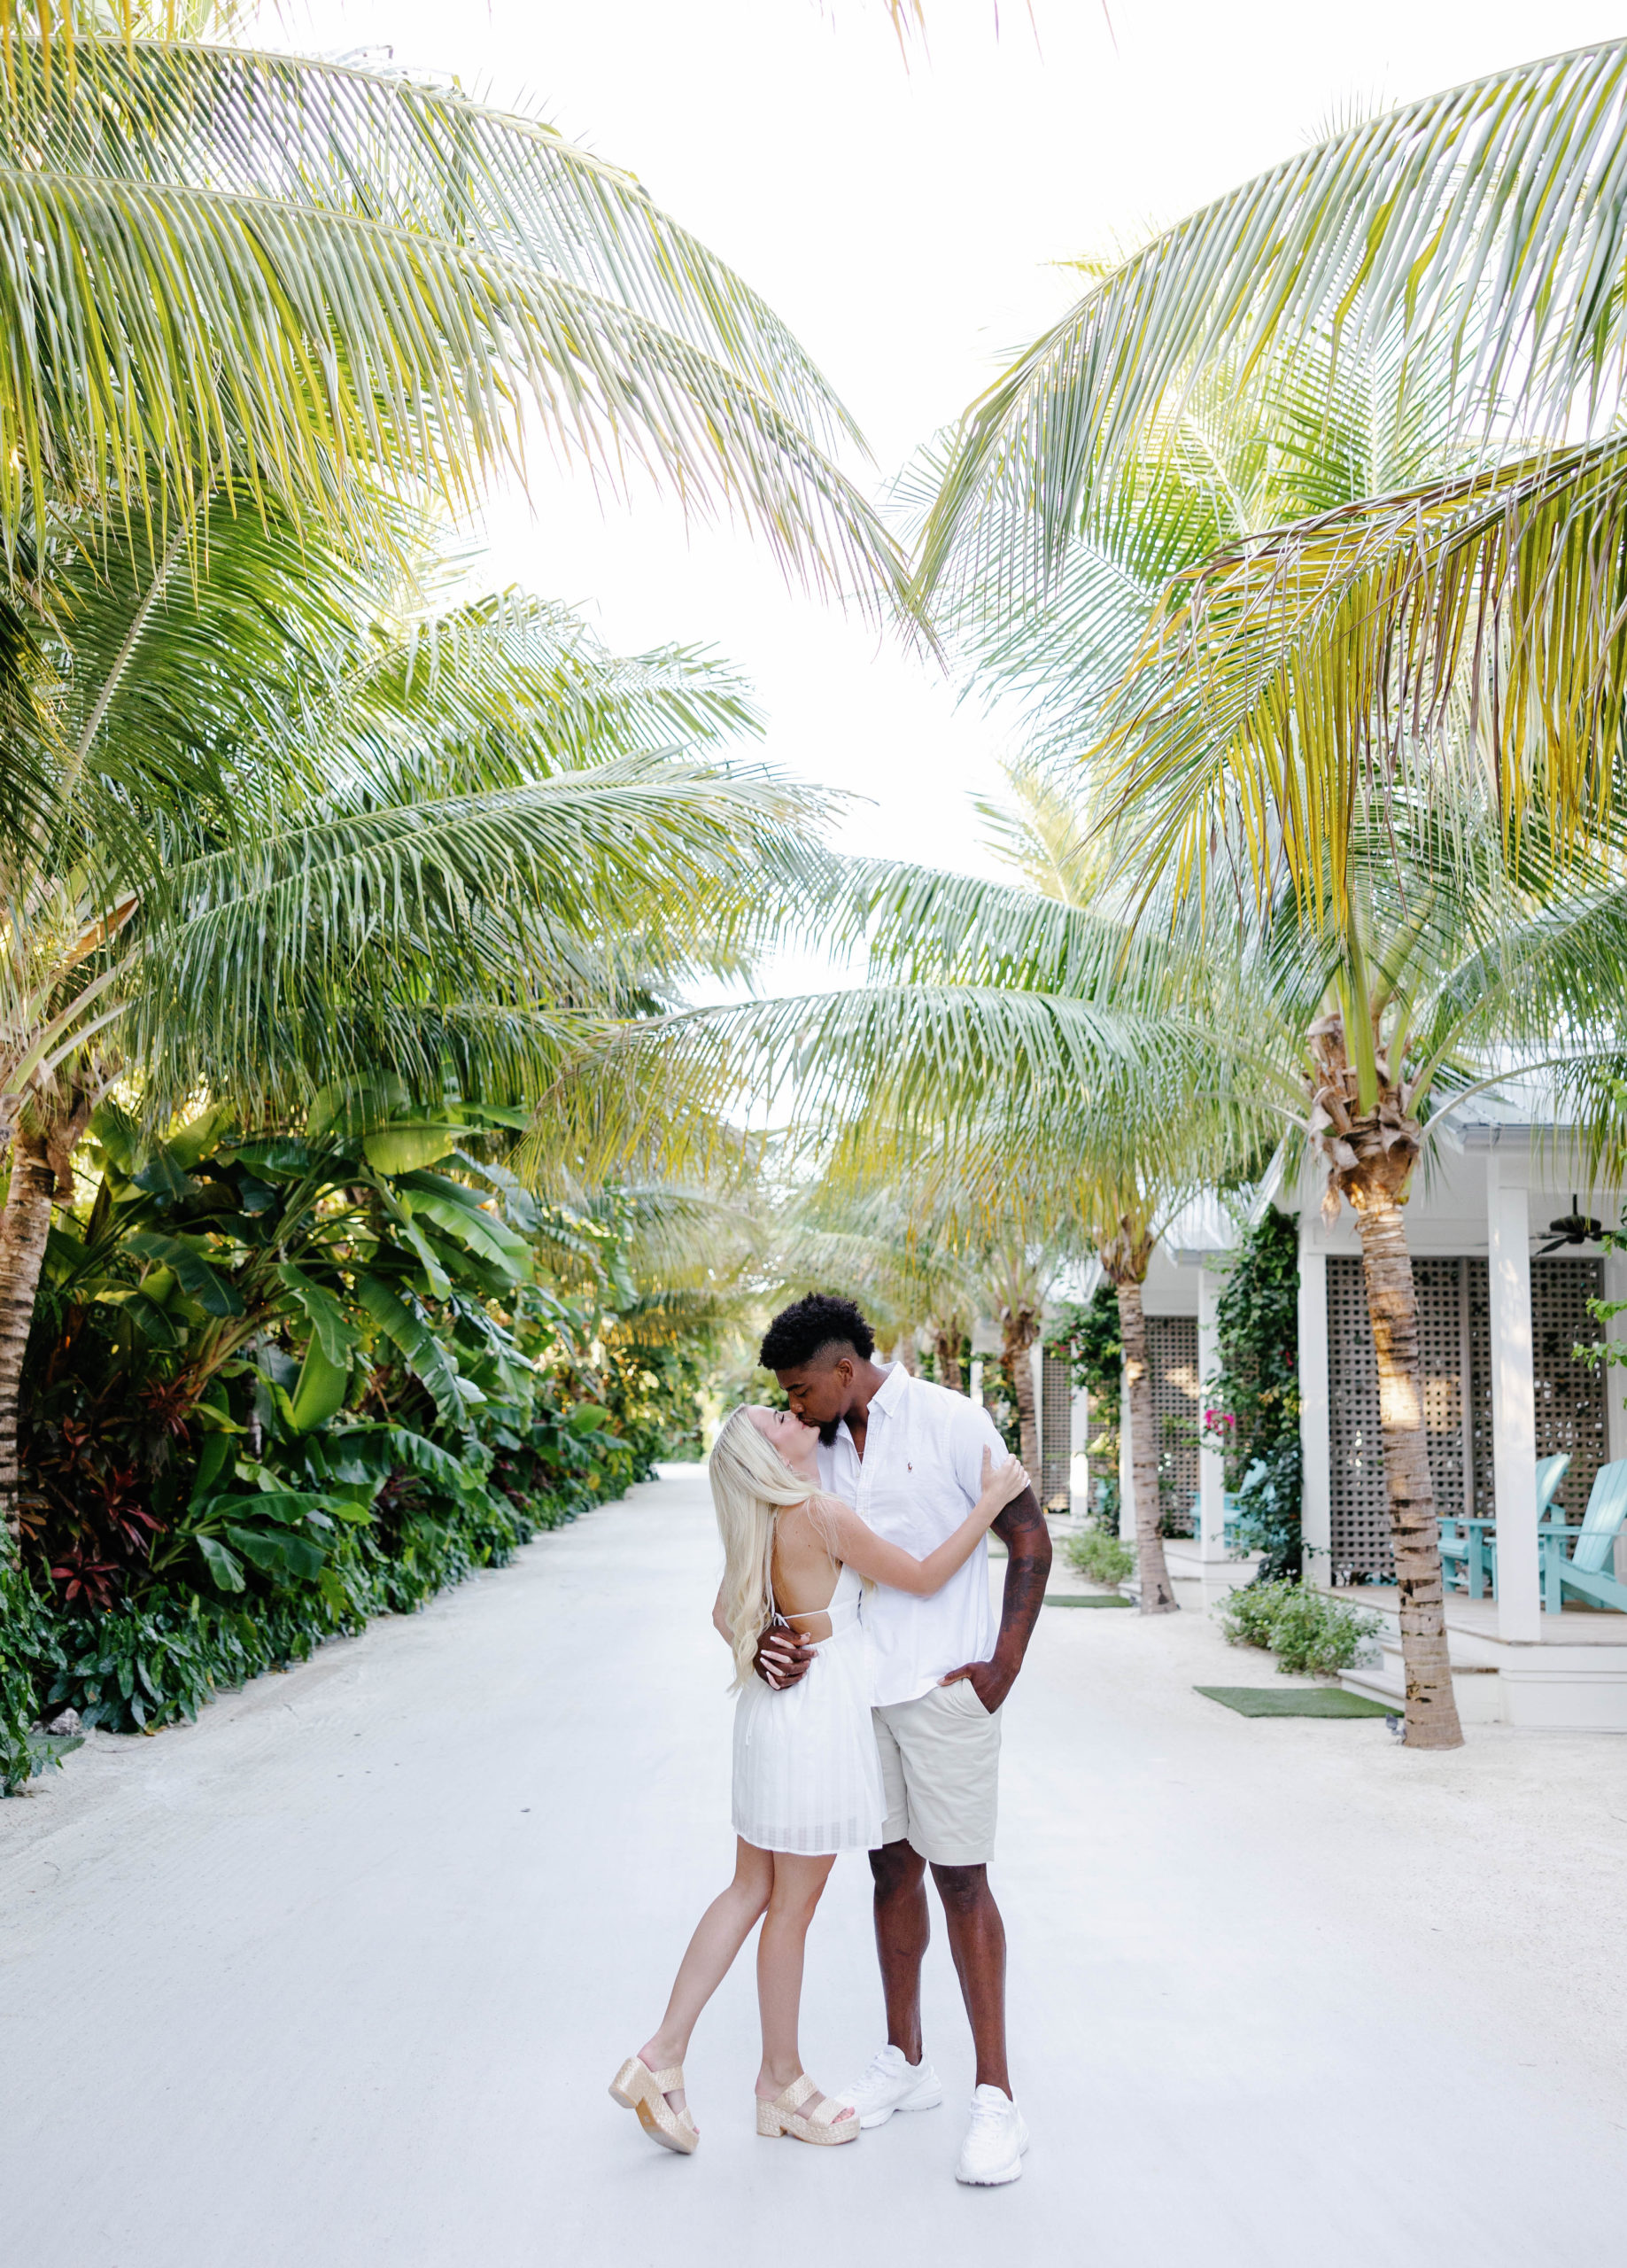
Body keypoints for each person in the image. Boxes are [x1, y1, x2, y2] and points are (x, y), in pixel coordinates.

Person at [610, 1400, 1028, 2156]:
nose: (791, 1412)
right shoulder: (820, 1514)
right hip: (814, 1725)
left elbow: (720, 1613)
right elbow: (927, 1577)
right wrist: (992, 1502)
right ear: (769, 1451)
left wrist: (766, 1639)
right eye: (776, 1416)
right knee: (790, 1909)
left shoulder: (758, 1523)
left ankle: (661, 2057)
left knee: (749, 1890)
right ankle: (778, 2082)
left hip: (769, 1723)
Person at [755, 1293, 1051, 2188]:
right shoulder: (815, 1451)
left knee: (963, 1880)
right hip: (859, 1697)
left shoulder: (953, 1419)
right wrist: (776, 1633)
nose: (794, 1407)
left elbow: (1029, 1539)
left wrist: (1000, 1667)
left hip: (945, 1689)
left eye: (802, 1389)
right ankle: (905, 2059)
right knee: (888, 1872)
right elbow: (802, 1564)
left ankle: (996, 2099)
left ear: (844, 1371)